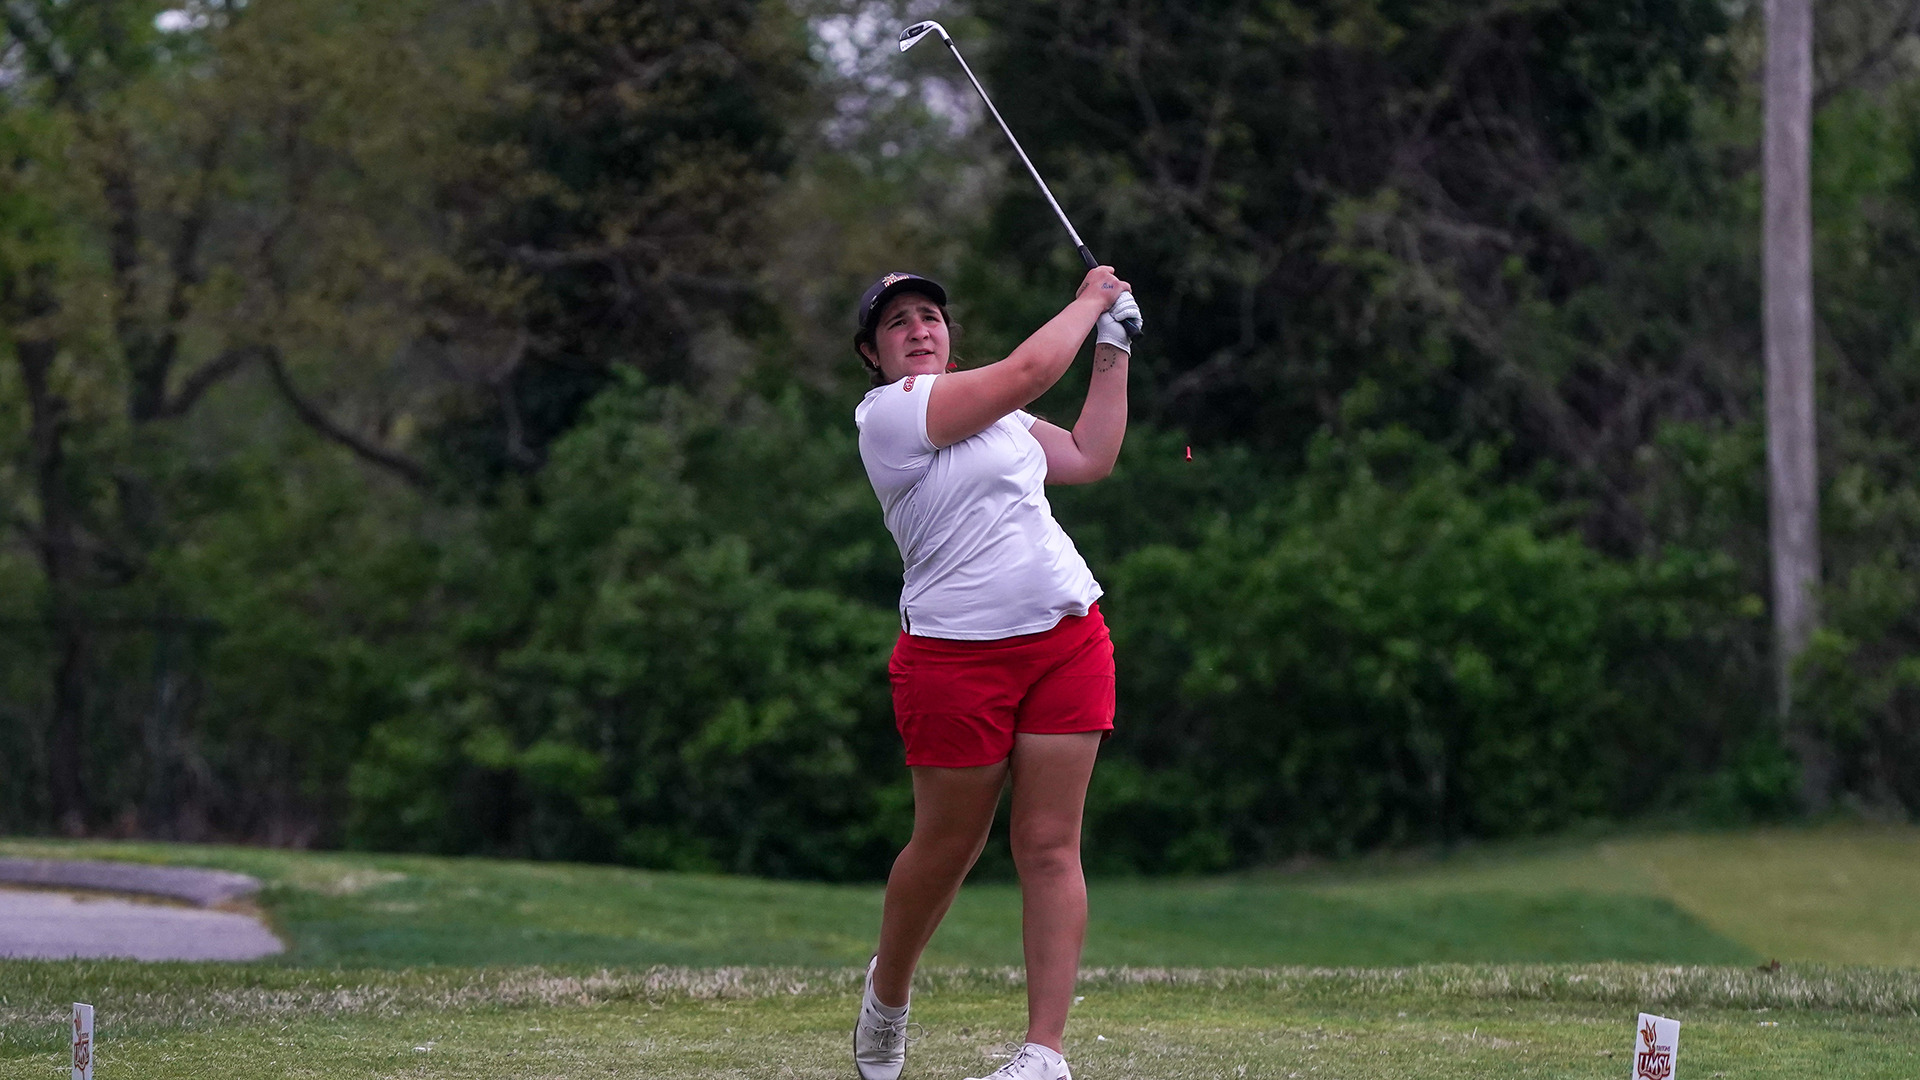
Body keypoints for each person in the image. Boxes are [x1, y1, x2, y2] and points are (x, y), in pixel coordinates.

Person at [848, 266, 1141, 1080]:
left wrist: (1113, 346)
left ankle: (1044, 1054)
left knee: (1049, 844)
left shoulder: (1004, 420)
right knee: (947, 848)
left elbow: (1088, 456)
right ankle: (888, 998)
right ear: (872, 355)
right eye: (897, 322)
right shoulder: (890, 417)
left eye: (931, 316)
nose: (919, 328)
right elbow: (1029, 369)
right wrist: (1089, 299)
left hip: (1066, 637)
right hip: (953, 657)